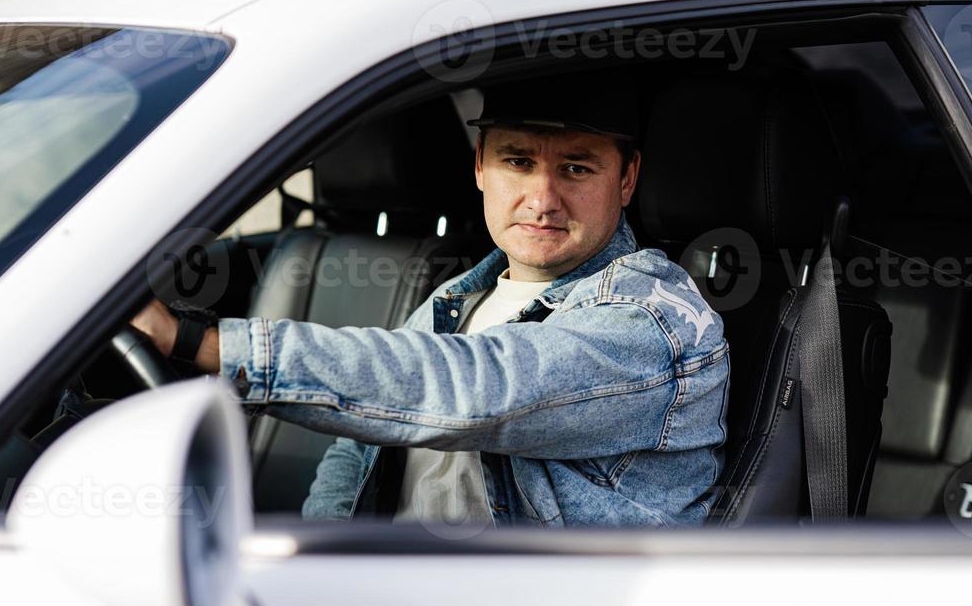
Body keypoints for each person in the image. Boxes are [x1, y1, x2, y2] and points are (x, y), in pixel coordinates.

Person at [132, 69, 729, 527]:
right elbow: (356, 449)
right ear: (479, 167)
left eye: (576, 169)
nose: (542, 198)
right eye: (517, 162)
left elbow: (477, 390)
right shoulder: (459, 297)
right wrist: (323, 560)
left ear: (626, 179)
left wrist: (199, 342)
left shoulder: (655, 321)